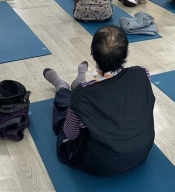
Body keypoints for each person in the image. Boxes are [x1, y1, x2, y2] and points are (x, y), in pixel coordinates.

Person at [44, 25, 155, 176]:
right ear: (127, 53)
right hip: (141, 152)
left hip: (98, 163)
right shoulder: (143, 73)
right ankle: (78, 80)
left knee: (65, 118)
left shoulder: (83, 96)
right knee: (80, 104)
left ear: (92, 53)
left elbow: (70, 134)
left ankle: (62, 87)